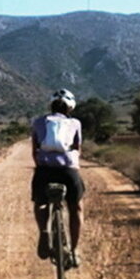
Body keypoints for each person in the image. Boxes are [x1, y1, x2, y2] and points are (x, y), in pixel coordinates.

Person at [30, 89, 85, 265]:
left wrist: (42, 164)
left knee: (40, 202)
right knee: (76, 207)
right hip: (68, 170)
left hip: (44, 170)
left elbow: (34, 150)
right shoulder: (75, 123)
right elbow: (77, 149)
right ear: (70, 107)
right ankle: (74, 252)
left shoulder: (38, 122)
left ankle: (43, 232)